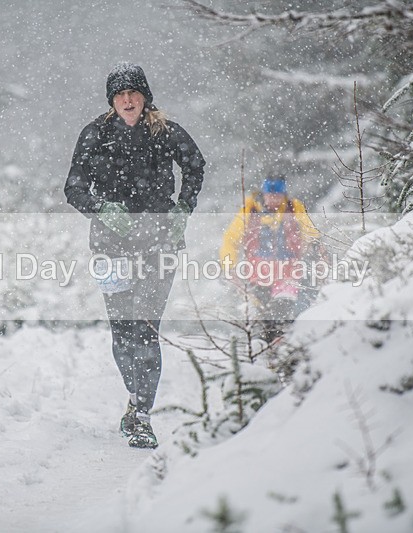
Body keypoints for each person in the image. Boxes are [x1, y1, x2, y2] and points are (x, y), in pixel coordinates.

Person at [64, 63, 205, 448]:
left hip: (160, 243)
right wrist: (101, 208)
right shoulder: (96, 134)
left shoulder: (166, 132)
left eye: (134, 92)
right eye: (120, 94)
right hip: (110, 246)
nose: (128, 99)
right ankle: (134, 398)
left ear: (145, 97)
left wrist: (182, 209)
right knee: (123, 330)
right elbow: (73, 187)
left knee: (145, 327)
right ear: (112, 101)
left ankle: (141, 414)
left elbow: (196, 167)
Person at [219, 176, 321, 341]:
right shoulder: (250, 209)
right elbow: (230, 239)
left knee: (281, 315)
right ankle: (263, 352)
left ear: (284, 194)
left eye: (278, 195)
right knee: (263, 321)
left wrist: (316, 248)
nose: (274, 198)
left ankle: (279, 347)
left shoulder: (294, 208)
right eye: (270, 194)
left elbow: (311, 233)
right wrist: (229, 266)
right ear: (264, 194)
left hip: (288, 275)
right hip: (258, 275)